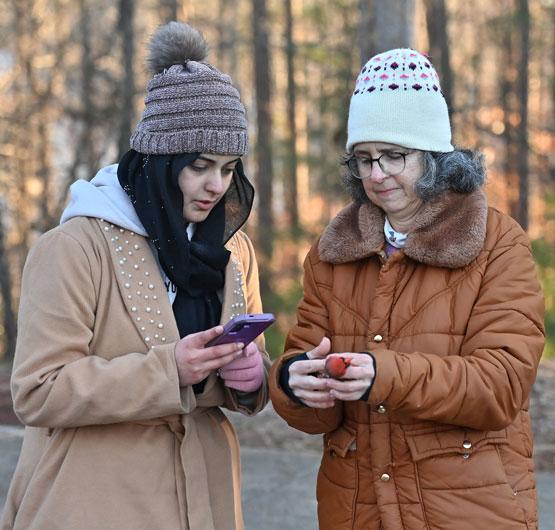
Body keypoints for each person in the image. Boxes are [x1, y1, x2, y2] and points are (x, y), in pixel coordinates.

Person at [2, 22, 269, 530]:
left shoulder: (233, 250)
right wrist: (170, 369)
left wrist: (253, 379)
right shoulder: (74, 248)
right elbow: (38, 390)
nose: (217, 185)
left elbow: (246, 369)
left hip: (208, 499)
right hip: (92, 502)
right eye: (200, 165)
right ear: (161, 162)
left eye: (231, 167)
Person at [269, 48, 545, 530]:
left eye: (394, 156)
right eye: (363, 159)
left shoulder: (498, 244)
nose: (377, 175)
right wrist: (295, 384)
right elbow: (305, 379)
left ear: (435, 156)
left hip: (468, 512)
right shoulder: (334, 251)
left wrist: (385, 375)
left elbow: (500, 386)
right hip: (357, 512)